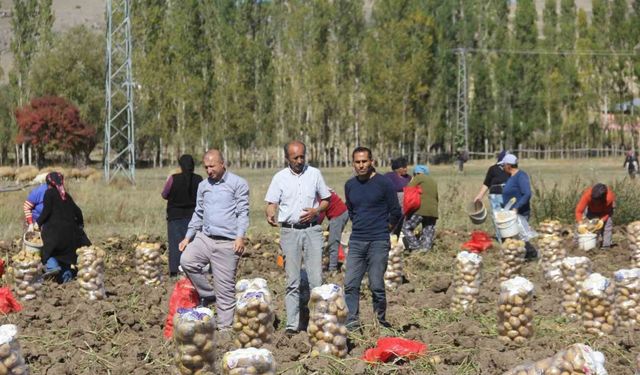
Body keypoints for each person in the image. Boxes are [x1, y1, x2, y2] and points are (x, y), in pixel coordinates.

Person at [179, 150, 249, 333]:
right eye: (206, 167)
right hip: (205, 238)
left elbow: (243, 213)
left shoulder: (238, 184)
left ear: (222, 164)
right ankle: (208, 294)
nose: (209, 170)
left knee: (225, 290)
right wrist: (188, 237)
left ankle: (225, 330)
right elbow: (199, 212)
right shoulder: (203, 186)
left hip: (228, 242)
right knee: (187, 260)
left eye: (212, 166)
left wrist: (240, 236)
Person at [265, 141, 330, 336]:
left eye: (302, 156)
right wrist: (270, 212)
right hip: (290, 232)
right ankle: (292, 325)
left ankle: (319, 322)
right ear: (287, 158)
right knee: (292, 281)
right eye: (295, 158)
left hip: (312, 230)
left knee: (316, 280)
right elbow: (271, 202)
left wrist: (316, 210)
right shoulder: (279, 178)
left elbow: (326, 200)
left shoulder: (315, 174)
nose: (300, 161)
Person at [344, 146, 401, 331]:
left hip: (378, 241)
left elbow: (396, 211)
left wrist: (385, 229)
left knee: (376, 284)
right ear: (353, 163)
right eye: (357, 162)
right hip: (357, 240)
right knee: (351, 284)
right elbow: (352, 211)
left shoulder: (384, 183)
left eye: (364, 161)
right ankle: (352, 322)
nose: (361, 165)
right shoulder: (350, 185)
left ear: (372, 162)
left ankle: (380, 322)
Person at [37, 172, 91, 283]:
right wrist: (80, 225)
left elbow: (46, 212)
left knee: (48, 252)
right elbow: (78, 212)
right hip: (70, 236)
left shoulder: (49, 193)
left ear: (49, 184)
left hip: (54, 235)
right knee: (66, 257)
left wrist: (36, 224)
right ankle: (67, 276)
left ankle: (52, 267)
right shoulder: (66, 195)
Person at [161, 154, 203, 277]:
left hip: (175, 217)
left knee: (175, 244)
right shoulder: (199, 179)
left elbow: (164, 194)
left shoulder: (173, 179)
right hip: (194, 217)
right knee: (193, 244)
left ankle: (175, 271)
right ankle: (193, 270)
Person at [500, 154, 537, 260]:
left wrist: (517, 207)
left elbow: (527, 193)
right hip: (510, 213)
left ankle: (531, 254)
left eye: (503, 165)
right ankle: (518, 258)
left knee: (520, 237)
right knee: (514, 238)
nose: (502, 168)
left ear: (508, 165)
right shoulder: (511, 177)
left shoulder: (521, 176)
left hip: (520, 212)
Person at [473, 151, 511, 241]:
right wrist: (479, 196)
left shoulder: (511, 169)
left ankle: (509, 236)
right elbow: (487, 183)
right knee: (497, 217)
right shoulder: (493, 169)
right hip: (495, 196)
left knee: (509, 216)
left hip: (508, 196)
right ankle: (500, 238)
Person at [402, 165, 438, 252]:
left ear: (416, 173)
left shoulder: (418, 178)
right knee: (428, 232)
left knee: (406, 227)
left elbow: (409, 190)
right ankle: (425, 251)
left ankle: (416, 247)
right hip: (433, 211)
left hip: (420, 210)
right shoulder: (433, 181)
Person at [317, 188, 349, 272]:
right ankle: (335, 262)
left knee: (333, 241)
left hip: (338, 214)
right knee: (331, 238)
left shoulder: (319, 193)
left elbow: (321, 213)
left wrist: (315, 226)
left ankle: (332, 268)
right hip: (338, 213)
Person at [575, 183, 615, 249]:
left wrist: (602, 220)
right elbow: (579, 211)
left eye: (597, 201)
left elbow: (608, 212)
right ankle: (577, 244)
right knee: (584, 226)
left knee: (607, 226)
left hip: (605, 211)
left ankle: (606, 246)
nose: (596, 202)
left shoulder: (609, 198)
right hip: (591, 210)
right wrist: (580, 223)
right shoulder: (587, 195)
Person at [384, 157, 411, 235]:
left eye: (406, 167)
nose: (406, 169)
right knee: (393, 222)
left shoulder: (408, 177)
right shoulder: (389, 176)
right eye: (403, 167)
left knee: (403, 223)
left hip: (406, 205)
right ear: (397, 168)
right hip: (392, 204)